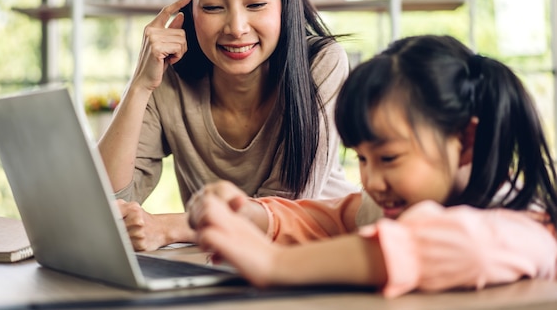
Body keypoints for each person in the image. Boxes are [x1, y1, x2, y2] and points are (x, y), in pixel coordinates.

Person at [187, 34, 557, 298]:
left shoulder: (524, 225)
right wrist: (256, 217)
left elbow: (456, 244)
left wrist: (274, 265)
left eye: (389, 158)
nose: (371, 180)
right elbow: (333, 217)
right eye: (362, 158)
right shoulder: (394, 200)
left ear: (466, 143)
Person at [98, 0, 357, 251]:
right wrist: (139, 86)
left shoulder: (321, 63)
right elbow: (107, 201)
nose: (236, 27)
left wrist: (169, 227)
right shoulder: (169, 75)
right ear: (189, 12)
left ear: (284, 4)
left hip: (321, 257)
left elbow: (285, 208)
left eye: (255, 4)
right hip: (223, 264)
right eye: (213, 7)